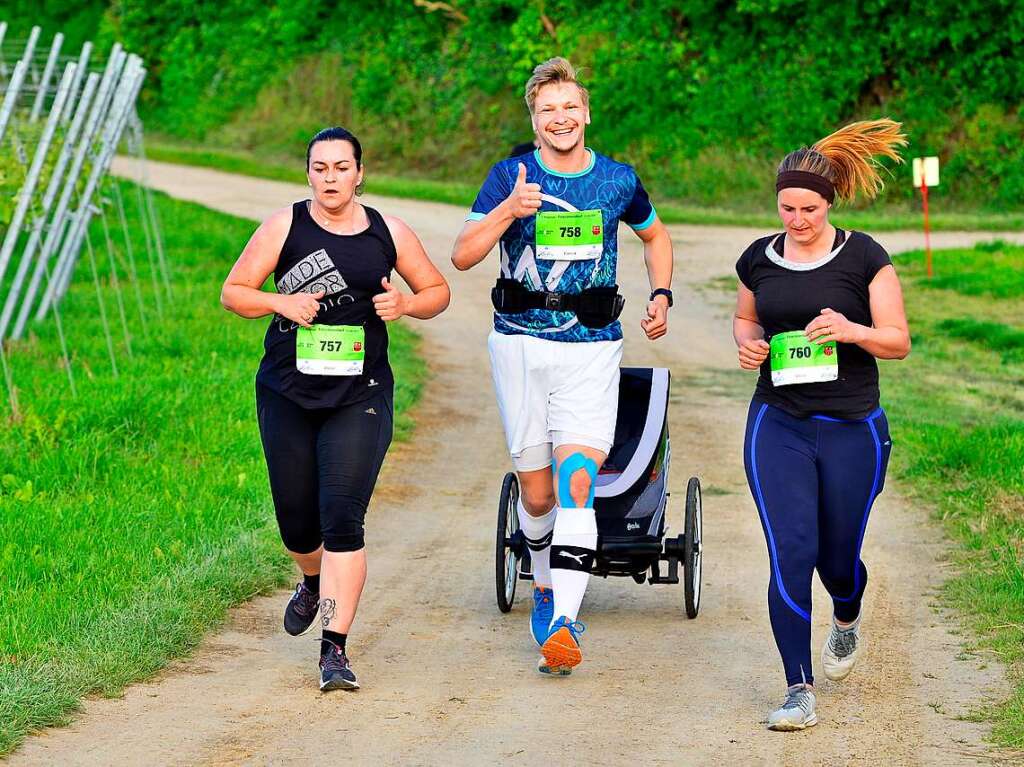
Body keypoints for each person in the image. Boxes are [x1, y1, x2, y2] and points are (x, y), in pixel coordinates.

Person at [451, 58, 674, 675]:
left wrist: (661, 295)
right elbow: (464, 254)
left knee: (579, 478)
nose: (561, 118)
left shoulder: (617, 181)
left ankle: (566, 623)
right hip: (519, 345)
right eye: (548, 110)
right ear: (534, 117)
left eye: (569, 107)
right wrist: (508, 212)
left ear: (586, 112)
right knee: (539, 489)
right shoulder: (508, 176)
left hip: (593, 345)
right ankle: (544, 583)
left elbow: (656, 237)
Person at [221, 126, 450, 691]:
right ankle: (311, 577)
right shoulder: (284, 226)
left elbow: (438, 291)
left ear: (359, 173)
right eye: (320, 168)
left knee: (342, 518)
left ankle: (334, 648)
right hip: (288, 393)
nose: (331, 178)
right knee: (298, 523)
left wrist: (407, 303)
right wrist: (280, 300)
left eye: (341, 167)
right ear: (308, 174)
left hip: (360, 395)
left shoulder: (387, 232)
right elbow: (234, 292)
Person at [732, 119, 911, 729]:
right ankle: (797, 689)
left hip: (851, 425)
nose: (797, 220)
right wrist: (749, 343)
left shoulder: (864, 257)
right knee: (792, 550)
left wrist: (852, 329)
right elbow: (746, 319)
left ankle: (846, 613)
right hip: (778, 421)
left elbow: (898, 340)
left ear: (829, 202)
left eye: (809, 207)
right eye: (787, 207)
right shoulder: (759, 257)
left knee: (837, 559)